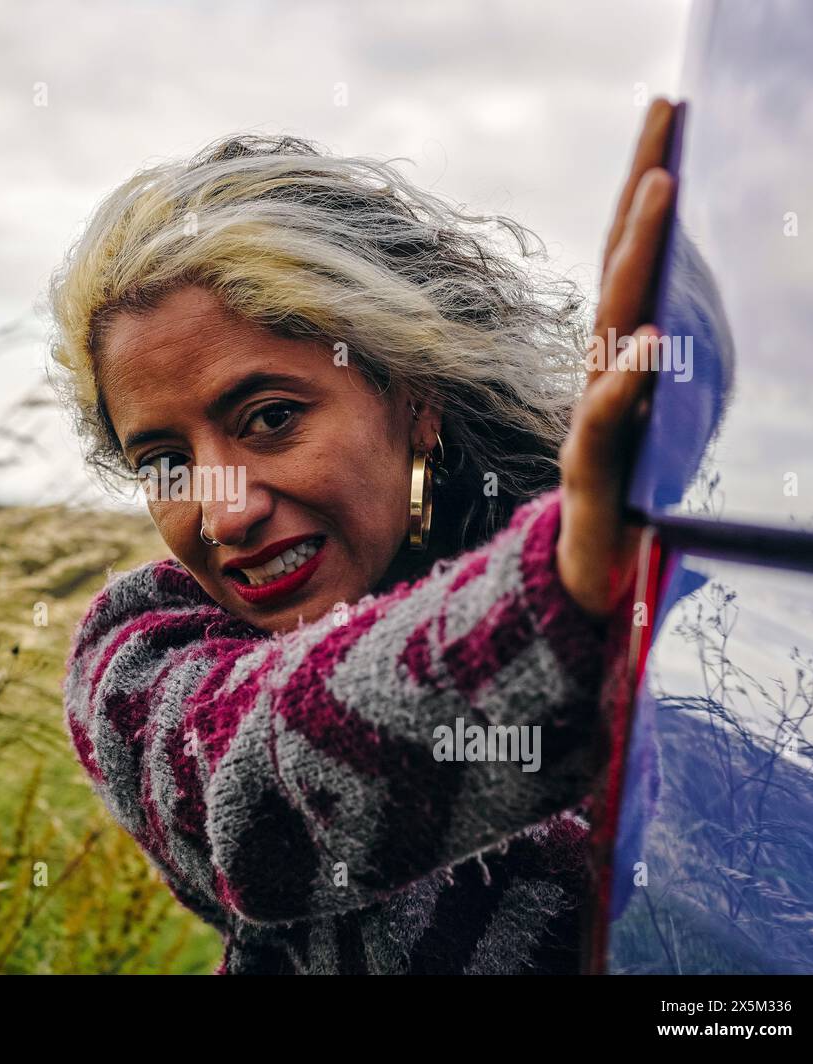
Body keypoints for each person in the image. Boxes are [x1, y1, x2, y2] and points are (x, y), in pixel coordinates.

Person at [47, 100, 676, 973]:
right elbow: (256, 788)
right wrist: (561, 597)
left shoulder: (660, 583)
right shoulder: (143, 665)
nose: (223, 513)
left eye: (270, 418)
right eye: (165, 463)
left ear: (414, 400)